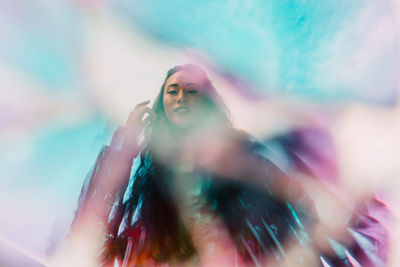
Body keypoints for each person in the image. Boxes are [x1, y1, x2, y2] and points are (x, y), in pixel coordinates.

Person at [70, 64, 388, 266]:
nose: (180, 97)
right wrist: (123, 146)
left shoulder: (239, 149)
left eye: (191, 91)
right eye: (172, 91)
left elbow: (295, 196)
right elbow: (96, 219)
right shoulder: (150, 166)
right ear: (160, 104)